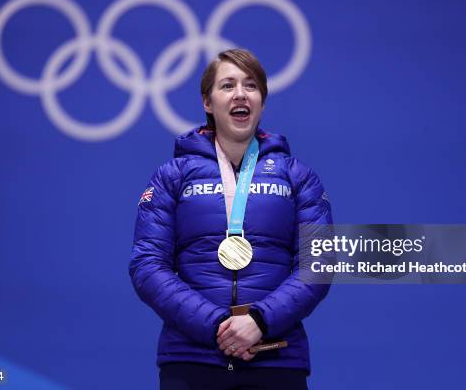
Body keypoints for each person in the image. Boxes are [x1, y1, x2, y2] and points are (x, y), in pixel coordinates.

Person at [129, 48, 333, 389]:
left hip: (276, 358)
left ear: (262, 102)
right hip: (191, 360)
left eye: (251, 85)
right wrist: (216, 326)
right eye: (227, 85)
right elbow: (147, 266)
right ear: (207, 103)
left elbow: (320, 264)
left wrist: (260, 321)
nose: (240, 93)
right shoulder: (171, 177)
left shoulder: (299, 177)